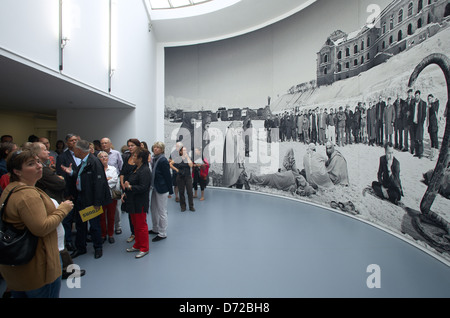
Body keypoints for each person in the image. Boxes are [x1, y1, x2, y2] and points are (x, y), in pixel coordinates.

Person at [0, 149, 73, 298]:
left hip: (19, 266)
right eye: (31, 164)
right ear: (17, 171)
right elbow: (41, 228)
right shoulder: (28, 195)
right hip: (38, 267)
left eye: (38, 162)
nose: (39, 166)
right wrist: (63, 209)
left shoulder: (10, 189)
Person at [31, 142, 85, 280]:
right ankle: (63, 269)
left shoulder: (46, 168)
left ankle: (64, 267)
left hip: (51, 205)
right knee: (58, 238)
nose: (48, 152)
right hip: (50, 208)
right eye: (44, 150)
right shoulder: (43, 169)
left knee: (57, 238)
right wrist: (59, 178)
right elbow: (59, 183)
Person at [60, 139, 112, 259]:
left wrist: (97, 202)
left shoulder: (94, 162)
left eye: (74, 150)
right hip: (81, 198)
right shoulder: (84, 162)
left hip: (91, 200)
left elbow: (99, 184)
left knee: (94, 225)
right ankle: (81, 248)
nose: (73, 152)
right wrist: (71, 172)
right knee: (80, 225)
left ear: (79, 150)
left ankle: (98, 247)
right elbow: (80, 175)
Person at [122, 148, 151, 258]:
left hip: (140, 202)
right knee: (135, 225)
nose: (132, 158)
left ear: (140, 158)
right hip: (132, 201)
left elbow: (144, 187)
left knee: (141, 226)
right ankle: (137, 244)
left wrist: (130, 187)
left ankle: (144, 248)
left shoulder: (145, 171)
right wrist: (125, 192)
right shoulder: (135, 168)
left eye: (134, 156)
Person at [55, 133, 80, 251]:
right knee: (68, 219)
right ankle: (68, 241)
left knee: (81, 216)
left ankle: (82, 237)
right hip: (69, 192)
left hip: (81, 191)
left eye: (76, 140)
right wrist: (66, 194)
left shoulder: (81, 154)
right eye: (71, 140)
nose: (74, 142)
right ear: (67, 143)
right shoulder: (62, 157)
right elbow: (61, 177)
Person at [150, 141, 173, 242]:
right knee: (153, 209)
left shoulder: (162, 160)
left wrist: (170, 191)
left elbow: (168, 176)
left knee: (162, 211)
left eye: (158, 148)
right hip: (155, 188)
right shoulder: (154, 159)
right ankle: (155, 228)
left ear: (162, 150)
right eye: (154, 147)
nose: (155, 149)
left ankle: (162, 233)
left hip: (162, 188)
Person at [100, 137, 123, 235]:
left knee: (116, 207)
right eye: (102, 143)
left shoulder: (116, 153)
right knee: (105, 209)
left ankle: (118, 226)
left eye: (106, 143)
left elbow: (121, 168)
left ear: (110, 144)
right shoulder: (99, 155)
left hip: (115, 185)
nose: (104, 145)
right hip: (103, 186)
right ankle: (105, 229)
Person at [120, 138, 141, 243]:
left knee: (139, 213)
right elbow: (123, 172)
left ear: (137, 146)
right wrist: (122, 185)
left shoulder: (141, 158)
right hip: (127, 189)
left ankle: (140, 233)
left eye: (132, 145)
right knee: (130, 213)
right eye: (129, 145)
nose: (130, 147)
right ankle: (133, 233)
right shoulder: (126, 156)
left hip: (136, 189)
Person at [97, 151, 119, 244]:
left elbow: (114, 180)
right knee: (101, 217)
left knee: (111, 216)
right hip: (100, 196)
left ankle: (110, 234)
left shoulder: (112, 168)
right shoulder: (96, 169)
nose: (104, 158)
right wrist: (107, 180)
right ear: (98, 159)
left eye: (105, 156)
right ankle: (103, 234)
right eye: (101, 157)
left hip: (111, 196)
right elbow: (97, 183)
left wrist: (104, 182)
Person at [171, 146, 195, 212]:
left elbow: (191, 165)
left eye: (186, 150)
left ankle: (191, 206)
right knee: (181, 192)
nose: (185, 152)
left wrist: (187, 157)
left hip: (188, 177)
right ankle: (183, 206)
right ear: (180, 152)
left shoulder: (188, 158)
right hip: (180, 177)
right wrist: (176, 169)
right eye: (183, 150)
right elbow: (170, 164)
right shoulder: (178, 158)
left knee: (190, 192)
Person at [410, 90, 427, 158]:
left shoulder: (423, 103)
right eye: (415, 95)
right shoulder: (413, 103)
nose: (416, 97)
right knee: (415, 139)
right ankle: (417, 152)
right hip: (414, 123)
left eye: (417, 95)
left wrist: (421, 122)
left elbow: (424, 114)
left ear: (419, 95)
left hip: (419, 123)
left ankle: (421, 153)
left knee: (420, 138)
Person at [427, 94, 440, 161]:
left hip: (434, 125)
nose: (429, 100)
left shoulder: (435, 104)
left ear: (433, 98)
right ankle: (432, 153)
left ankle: (436, 154)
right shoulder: (429, 106)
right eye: (428, 99)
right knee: (432, 140)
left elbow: (435, 108)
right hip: (430, 125)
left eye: (430, 98)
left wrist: (432, 103)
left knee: (435, 139)